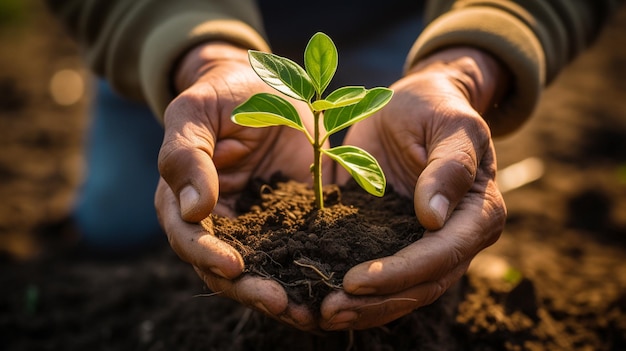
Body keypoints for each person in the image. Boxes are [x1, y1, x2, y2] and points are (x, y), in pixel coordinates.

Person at [45, 0, 623, 331]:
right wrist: (196, 55)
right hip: (173, 20)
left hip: (408, 21)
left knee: (420, 211)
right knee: (119, 225)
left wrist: (467, 65)